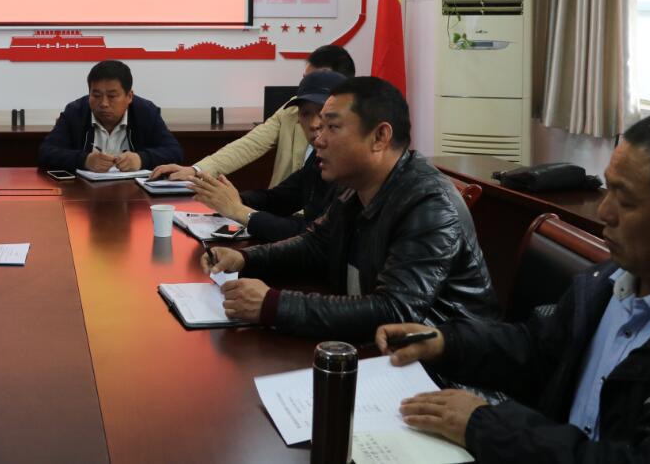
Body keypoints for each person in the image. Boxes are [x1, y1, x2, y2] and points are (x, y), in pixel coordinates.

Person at [375, 113, 650, 463]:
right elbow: (537, 351)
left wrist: (485, 426)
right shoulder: (606, 283)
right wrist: (446, 342)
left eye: (626, 200)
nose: (605, 211)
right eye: (608, 188)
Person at [203, 76, 498, 341]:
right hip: (377, 351)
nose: (318, 139)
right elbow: (314, 245)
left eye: (332, 127)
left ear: (380, 137)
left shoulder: (429, 204)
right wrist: (244, 258)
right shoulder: (356, 188)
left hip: (438, 369)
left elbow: (395, 311)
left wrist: (273, 305)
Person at [152, 44, 355, 187]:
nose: (307, 87)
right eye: (305, 79)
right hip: (280, 212)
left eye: (317, 81)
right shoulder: (293, 109)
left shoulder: (353, 132)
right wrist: (197, 170)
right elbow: (250, 144)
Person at [189, 70, 343, 242]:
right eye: (305, 113)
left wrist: (239, 211)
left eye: (322, 114)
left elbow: (313, 236)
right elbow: (280, 198)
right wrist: (231, 198)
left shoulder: (350, 169)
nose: (314, 124)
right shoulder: (317, 157)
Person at [38, 60, 183, 173]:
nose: (104, 103)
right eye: (96, 95)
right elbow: (46, 153)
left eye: (112, 96)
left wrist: (141, 159)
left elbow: (174, 152)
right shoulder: (75, 112)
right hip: (84, 194)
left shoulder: (146, 112)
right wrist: (84, 160)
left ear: (129, 96)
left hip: (134, 194)